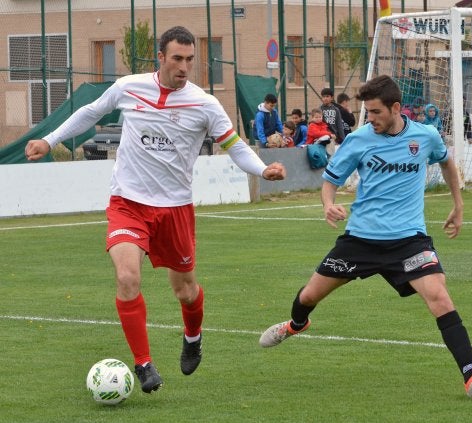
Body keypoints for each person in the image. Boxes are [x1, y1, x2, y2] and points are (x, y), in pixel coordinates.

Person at [25, 26, 286, 394]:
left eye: (190, 60)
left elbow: (234, 145)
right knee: (127, 277)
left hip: (174, 210)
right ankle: (144, 363)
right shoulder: (129, 87)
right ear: (160, 57)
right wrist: (49, 139)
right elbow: (89, 112)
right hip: (128, 203)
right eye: (177, 58)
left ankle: (193, 337)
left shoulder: (204, 104)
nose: (184, 66)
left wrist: (262, 169)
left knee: (185, 291)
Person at [259, 74, 472, 400]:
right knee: (308, 297)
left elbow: (446, 163)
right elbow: (331, 181)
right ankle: (296, 324)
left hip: (409, 241)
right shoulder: (358, 140)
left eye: (375, 112)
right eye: (367, 112)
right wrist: (328, 205)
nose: (370, 118)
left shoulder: (425, 136)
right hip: (361, 240)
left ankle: (471, 377)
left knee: (440, 297)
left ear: (396, 108)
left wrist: (458, 205)